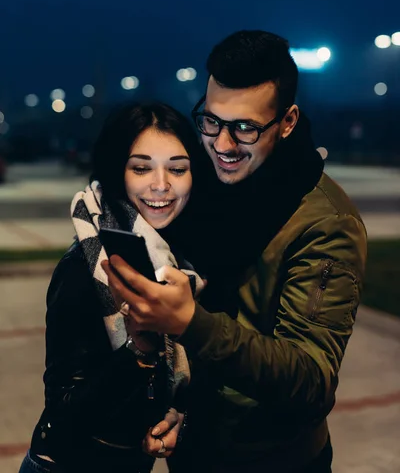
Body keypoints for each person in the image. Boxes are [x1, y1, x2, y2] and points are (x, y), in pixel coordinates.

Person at [103, 30, 368, 473]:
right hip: (196, 453)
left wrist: (191, 323)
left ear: (287, 122)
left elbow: (311, 379)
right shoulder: (211, 190)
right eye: (211, 121)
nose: (222, 145)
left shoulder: (325, 223)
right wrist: (177, 410)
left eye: (245, 127)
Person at [19, 102, 205, 473]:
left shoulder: (181, 260)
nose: (161, 184)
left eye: (177, 168)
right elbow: (64, 415)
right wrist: (141, 348)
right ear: (117, 171)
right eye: (141, 167)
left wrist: (173, 418)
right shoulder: (85, 267)